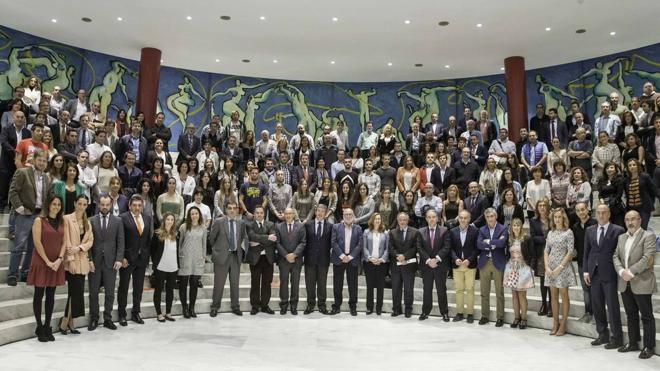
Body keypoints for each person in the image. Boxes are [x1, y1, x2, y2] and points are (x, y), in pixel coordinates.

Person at [613, 211, 657, 359]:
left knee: (646, 316)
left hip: (641, 281)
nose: (630, 222)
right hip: (624, 282)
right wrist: (620, 271)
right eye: (627, 219)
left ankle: (649, 346)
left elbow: (648, 257)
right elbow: (615, 256)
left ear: (640, 220)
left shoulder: (648, 236)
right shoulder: (621, 237)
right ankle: (633, 342)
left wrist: (630, 272)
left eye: (633, 219)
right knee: (631, 314)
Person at [7, 149, 52, 286]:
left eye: (44, 161)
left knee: (33, 247)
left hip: (39, 215)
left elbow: (47, 197)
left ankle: (25, 273)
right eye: (40, 160)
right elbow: (13, 191)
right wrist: (20, 208)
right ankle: (12, 274)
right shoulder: (23, 172)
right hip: (25, 214)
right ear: (34, 160)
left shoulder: (47, 177)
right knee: (19, 245)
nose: (42, 163)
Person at [584, 204, 625, 349]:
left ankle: (617, 338)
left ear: (609, 214)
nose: (601, 215)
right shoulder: (589, 230)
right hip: (594, 274)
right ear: (595, 214)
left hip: (610, 274)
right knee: (597, 306)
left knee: (612, 307)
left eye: (604, 213)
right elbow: (587, 252)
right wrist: (586, 271)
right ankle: (602, 334)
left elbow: (621, 254)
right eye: (598, 213)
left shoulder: (618, 230)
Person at [27, 195, 66, 342]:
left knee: (51, 295)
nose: (56, 206)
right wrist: (48, 261)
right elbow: (37, 243)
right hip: (41, 262)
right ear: (48, 205)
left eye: (58, 204)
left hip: (56, 263)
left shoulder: (62, 221)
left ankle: (48, 326)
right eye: (54, 204)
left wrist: (59, 259)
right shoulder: (39, 220)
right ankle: (39, 327)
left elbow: (64, 242)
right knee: (39, 294)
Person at [87, 195, 124, 331]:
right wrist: (89, 260)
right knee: (93, 292)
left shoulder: (118, 221)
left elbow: (121, 241)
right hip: (94, 263)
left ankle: (108, 318)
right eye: (102, 204)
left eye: (107, 204)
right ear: (98, 205)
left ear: (111, 204)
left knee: (109, 293)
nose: (104, 207)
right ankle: (94, 318)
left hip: (111, 262)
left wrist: (119, 259)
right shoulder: (91, 221)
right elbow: (87, 243)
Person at [117, 195, 153, 326]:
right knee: (124, 287)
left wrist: (147, 256)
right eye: (135, 205)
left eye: (139, 205)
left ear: (142, 206)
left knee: (138, 288)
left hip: (141, 259)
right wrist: (121, 257)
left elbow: (148, 239)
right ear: (130, 206)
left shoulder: (147, 218)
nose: (137, 208)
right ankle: (122, 314)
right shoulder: (122, 218)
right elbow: (119, 240)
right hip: (127, 259)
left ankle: (136, 312)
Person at [60, 195, 92, 334]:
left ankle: (70, 322)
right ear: (75, 204)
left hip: (82, 261)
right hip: (72, 262)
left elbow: (90, 241)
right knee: (74, 292)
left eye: (84, 204)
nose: (82, 207)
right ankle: (65, 322)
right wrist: (71, 259)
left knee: (75, 293)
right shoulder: (67, 219)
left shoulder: (88, 222)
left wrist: (79, 248)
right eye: (80, 203)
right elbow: (66, 240)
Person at [209, 201, 248, 317]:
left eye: (234, 208)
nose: (232, 210)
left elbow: (242, 237)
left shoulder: (241, 223)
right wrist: (218, 250)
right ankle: (215, 306)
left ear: (237, 210)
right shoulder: (218, 222)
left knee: (235, 284)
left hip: (235, 256)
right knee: (219, 284)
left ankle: (235, 306)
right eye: (229, 208)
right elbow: (211, 239)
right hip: (222, 257)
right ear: (225, 210)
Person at [544, 208, 576, 336]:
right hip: (551, 269)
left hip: (563, 269)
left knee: (564, 296)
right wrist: (547, 266)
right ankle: (555, 323)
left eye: (559, 217)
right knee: (553, 297)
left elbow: (570, 252)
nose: (557, 219)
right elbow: (546, 251)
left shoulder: (568, 232)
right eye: (555, 217)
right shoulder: (551, 233)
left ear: (564, 218)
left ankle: (563, 324)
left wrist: (560, 267)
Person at [476, 208, 508, 327]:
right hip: (484, 263)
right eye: (488, 216)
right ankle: (485, 316)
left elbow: (502, 244)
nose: (490, 218)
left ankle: (500, 317)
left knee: (499, 292)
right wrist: (494, 243)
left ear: (496, 217)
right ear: (485, 218)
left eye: (492, 216)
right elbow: (479, 244)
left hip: (498, 263)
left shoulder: (503, 228)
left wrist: (488, 242)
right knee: (484, 292)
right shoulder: (482, 229)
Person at [417, 209, 450, 321]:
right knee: (427, 290)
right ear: (426, 219)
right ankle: (425, 312)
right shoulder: (420, 231)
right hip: (426, 266)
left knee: (441, 290)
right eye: (429, 217)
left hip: (440, 265)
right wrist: (428, 260)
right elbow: (419, 248)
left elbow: (446, 247)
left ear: (437, 218)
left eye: (434, 217)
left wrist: (436, 259)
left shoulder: (444, 230)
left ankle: (444, 312)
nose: (431, 219)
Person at [246, 205, 278, 315]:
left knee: (266, 283)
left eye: (261, 213)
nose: (259, 214)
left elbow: (273, 240)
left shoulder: (270, 224)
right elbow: (251, 237)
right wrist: (267, 237)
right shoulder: (249, 225)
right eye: (257, 213)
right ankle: (255, 306)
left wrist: (258, 241)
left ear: (264, 214)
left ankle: (265, 305)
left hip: (268, 258)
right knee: (255, 283)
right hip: (255, 259)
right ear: (254, 214)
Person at [300, 205, 331, 315]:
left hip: (324, 260)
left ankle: (322, 305)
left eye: (323, 211)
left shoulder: (330, 226)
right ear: (315, 212)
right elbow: (304, 242)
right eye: (318, 211)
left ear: (325, 213)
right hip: (310, 260)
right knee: (310, 284)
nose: (320, 213)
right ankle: (310, 305)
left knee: (322, 284)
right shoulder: (308, 224)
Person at [388, 212, 420, 318]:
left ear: (408, 220)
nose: (402, 222)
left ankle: (408, 309)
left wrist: (405, 256)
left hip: (409, 265)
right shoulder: (392, 232)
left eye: (404, 220)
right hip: (395, 265)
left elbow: (415, 247)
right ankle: (396, 309)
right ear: (397, 221)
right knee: (396, 288)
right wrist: (398, 256)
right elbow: (390, 247)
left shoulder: (415, 232)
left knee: (408, 289)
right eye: (400, 220)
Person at [504, 218, 534, 329]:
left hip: (523, 268)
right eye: (514, 225)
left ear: (521, 227)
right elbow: (507, 254)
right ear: (511, 227)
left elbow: (532, 254)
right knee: (514, 295)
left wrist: (530, 267)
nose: (516, 227)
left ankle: (524, 318)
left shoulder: (526, 238)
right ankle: (516, 317)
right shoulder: (510, 239)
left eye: (518, 225)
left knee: (522, 295)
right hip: (511, 269)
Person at [178, 206, 207, 318]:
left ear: (199, 215)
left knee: (194, 284)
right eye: (192, 214)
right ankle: (184, 308)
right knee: (183, 284)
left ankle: (192, 308)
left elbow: (204, 244)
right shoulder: (184, 227)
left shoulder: (203, 228)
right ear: (189, 216)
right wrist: (180, 257)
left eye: (196, 213)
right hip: (185, 258)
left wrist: (203, 258)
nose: (194, 215)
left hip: (198, 259)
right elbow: (180, 243)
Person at [276, 207, 306, 315]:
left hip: (296, 260)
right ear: (284, 215)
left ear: (294, 215)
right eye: (286, 214)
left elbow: (303, 242)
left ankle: (294, 306)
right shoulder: (278, 226)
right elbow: (277, 243)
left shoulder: (300, 226)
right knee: (283, 283)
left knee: (295, 283)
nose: (288, 216)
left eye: (290, 214)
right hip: (283, 260)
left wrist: (294, 254)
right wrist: (285, 255)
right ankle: (283, 305)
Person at [572, 202, 597, 324]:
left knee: (596, 289)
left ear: (587, 210)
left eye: (583, 209)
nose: (581, 212)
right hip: (582, 263)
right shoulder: (576, 226)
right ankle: (588, 313)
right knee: (586, 290)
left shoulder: (595, 224)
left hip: (595, 264)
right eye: (578, 210)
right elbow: (575, 246)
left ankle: (597, 315)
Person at [151, 212, 179, 323]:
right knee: (158, 290)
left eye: (172, 220)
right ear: (164, 221)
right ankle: (159, 313)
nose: (170, 222)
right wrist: (155, 264)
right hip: (161, 266)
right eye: (168, 219)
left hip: (173, 267)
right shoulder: (157, 233)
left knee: (170, 291)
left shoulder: (176, 234)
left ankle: (168, 313)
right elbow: (152, 251)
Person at [624, 158, 655, 229]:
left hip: (644, 208)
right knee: (634, 229)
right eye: (630, 165)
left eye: (634, 165)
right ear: (627, 168)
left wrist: (650, 202)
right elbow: (627, 194)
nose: (632, 167)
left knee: (643, 228)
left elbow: (653, 191)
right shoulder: (626, 180)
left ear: (638, 166)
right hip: (631, 208)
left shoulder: (645, 177)